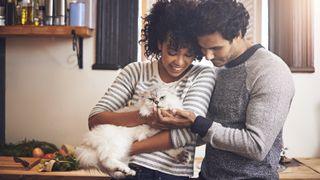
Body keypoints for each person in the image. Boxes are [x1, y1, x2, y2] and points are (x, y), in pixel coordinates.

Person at [155, 0, 295, 179]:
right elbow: (212, 131)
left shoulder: (271, 72)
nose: (208, 56)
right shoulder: (217, 69)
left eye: (216, 48)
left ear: (238, 34)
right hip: (207, 175)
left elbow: (256, 147)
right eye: (203, 48)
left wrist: (198, 123)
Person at [88, 0, 215, 179]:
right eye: (172, 51)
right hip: (130, 170)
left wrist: (120, 149)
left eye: (188, 54)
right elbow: (96, 119)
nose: (179, 62)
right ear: (159, 43)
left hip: (170, 173)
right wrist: (144, 117)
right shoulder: (135, 71)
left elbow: (188, 131)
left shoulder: (202, 75)